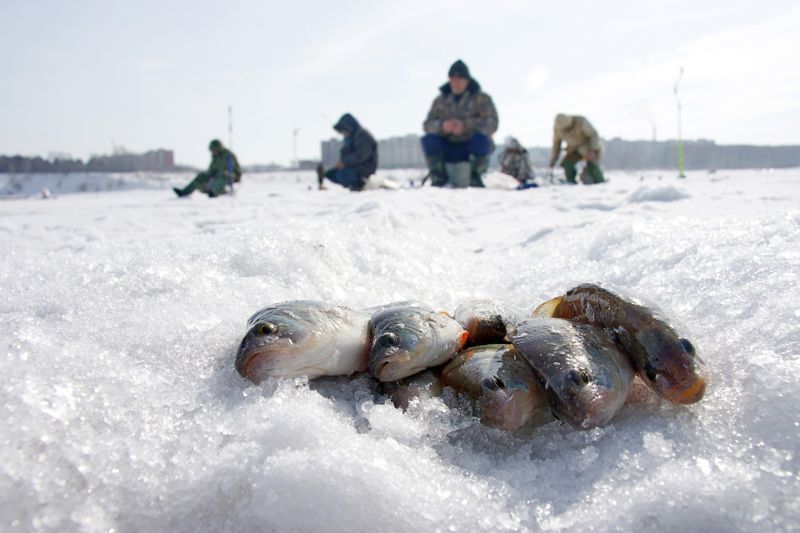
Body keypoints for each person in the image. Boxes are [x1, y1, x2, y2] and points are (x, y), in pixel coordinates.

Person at [422, 60, 498, 188]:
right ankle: (439, 177)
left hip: (470, 147)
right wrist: (443, 126)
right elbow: (427, 125)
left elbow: (493, 123)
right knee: (429, 140)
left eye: (459, 79)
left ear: (467, 80)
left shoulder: (482, 99)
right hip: (448, 147)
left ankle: (476, 176)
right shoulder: (440, 100)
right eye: (453, 79)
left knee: (481, 139)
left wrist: (466, 126)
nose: (456, 83)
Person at [317, 113, 377, 191]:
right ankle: (353, 183)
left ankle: (360, 183)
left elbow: (361, 155)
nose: (342, 133)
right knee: (331, 174)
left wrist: (344, 162)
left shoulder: (362, 135)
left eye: (343, 130)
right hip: (352, 167)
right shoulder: (350, 138)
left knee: (343, 174)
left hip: (365, 168)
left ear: (348, 127)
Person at [548, 114, 605, 184]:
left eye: (568, 129)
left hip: (589, 147)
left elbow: (593, 134)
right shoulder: (558, 129)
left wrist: (593, 150)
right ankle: (571, 183)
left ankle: (601, 182)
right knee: (567, 163)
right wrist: (553, 160)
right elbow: (556, 145)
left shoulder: (581, 121)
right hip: (573, 149)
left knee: (592, 166)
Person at [173, 139, 241, 197]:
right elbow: (211, 169)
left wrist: (231, 173)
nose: (213, 152)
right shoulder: (215, 158)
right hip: (217, 176)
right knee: (201, 176)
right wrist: (208, 174)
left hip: (230, 176)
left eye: (214, 150)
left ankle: (214, 192)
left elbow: (235, 169)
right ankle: (184, 192)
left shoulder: (228, 155)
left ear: (218, 148)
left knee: (224, 175)